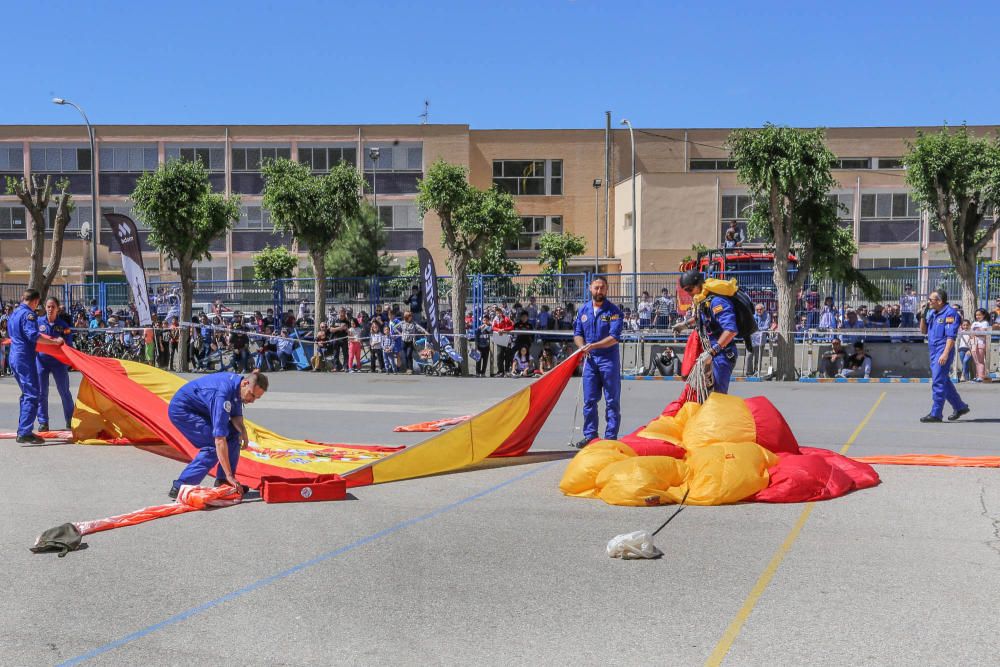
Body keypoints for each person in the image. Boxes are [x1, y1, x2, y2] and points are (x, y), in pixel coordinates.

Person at [167, 370, 268, 498]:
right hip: (183, 411)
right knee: (213, 446)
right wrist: (229, 474)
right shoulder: (223, 395)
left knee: (233, 434)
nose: (252, 400)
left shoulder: (238, 387)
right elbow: (219, 439)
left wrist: (243, 432)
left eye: (256, 398)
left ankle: (223, 483)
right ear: (245, 383)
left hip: (201, 409)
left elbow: (236, 416)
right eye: (252, 395)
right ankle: (181, 486)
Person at [572, 275, 623, 448]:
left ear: (607, 289)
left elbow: (614, 337)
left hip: (608, 361)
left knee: (612, 401)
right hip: (590, 363)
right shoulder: (583, 310)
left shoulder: (613, 312)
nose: (599, 291)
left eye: (602, 288)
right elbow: (578, 334)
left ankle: (610, 438)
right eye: (596, 287)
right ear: (590, 288)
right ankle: (590, 436)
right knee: (589, 401)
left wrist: (593, 346)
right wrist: (582, 347)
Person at [9, 289, 65, 443]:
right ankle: (25, 432)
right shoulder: (29, 315)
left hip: (14, 356)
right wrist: (54, 342)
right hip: (24, 358)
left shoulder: (14, 313)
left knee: (27, 393)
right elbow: (33, 335)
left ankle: (23, 428)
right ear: (35, 301)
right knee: (33, 394)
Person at [677, 270, 739, 394]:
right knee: (705, 394)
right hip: (710, 354)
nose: (688, 293)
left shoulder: (717, 302)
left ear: (698, 284)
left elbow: (731, 330)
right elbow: (701, 318)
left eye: (689, 289)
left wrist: (712, 352)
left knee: (717, 397)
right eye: (685, 290)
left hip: (721, 354)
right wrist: (684, 325)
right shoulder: (703, 301)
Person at [919, 289, 969, 423]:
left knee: (938, 381)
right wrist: (923, 315)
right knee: (943, 380)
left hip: (943, 349)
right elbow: (923, 331)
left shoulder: (950, 314)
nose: (928, 302)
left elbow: (951, 337)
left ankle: (936, 413)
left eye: (931, 300)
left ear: (940, 301)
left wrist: (945, 354)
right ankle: (960, 407)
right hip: (933, 350)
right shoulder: (932, 313)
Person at [36, 296, 74, 432]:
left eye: (53, 307)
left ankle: (70, 420)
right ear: (45, 308)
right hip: (42, 362)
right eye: (48, 306)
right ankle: (43, 422)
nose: (50, 309)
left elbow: (69, 343)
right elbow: (33, 339)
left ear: (58, 309)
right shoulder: (38, 323)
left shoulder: (64, 325)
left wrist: (62, 340)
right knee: (41, 393)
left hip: (58, 363)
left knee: (64, 392)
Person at [969, 308, 990, 382]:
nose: (977, 316)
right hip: (973, 344)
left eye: (979, 315)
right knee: (976, 361)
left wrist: (976, 331)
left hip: (981, 344)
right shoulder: (974, 323)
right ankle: (978, 376)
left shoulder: (985, 323)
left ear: (984, 315)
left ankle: (981, 376)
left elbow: (983, 333)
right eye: (976, 315)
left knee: (980, 361)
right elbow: (971, 333)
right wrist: (977, 331)